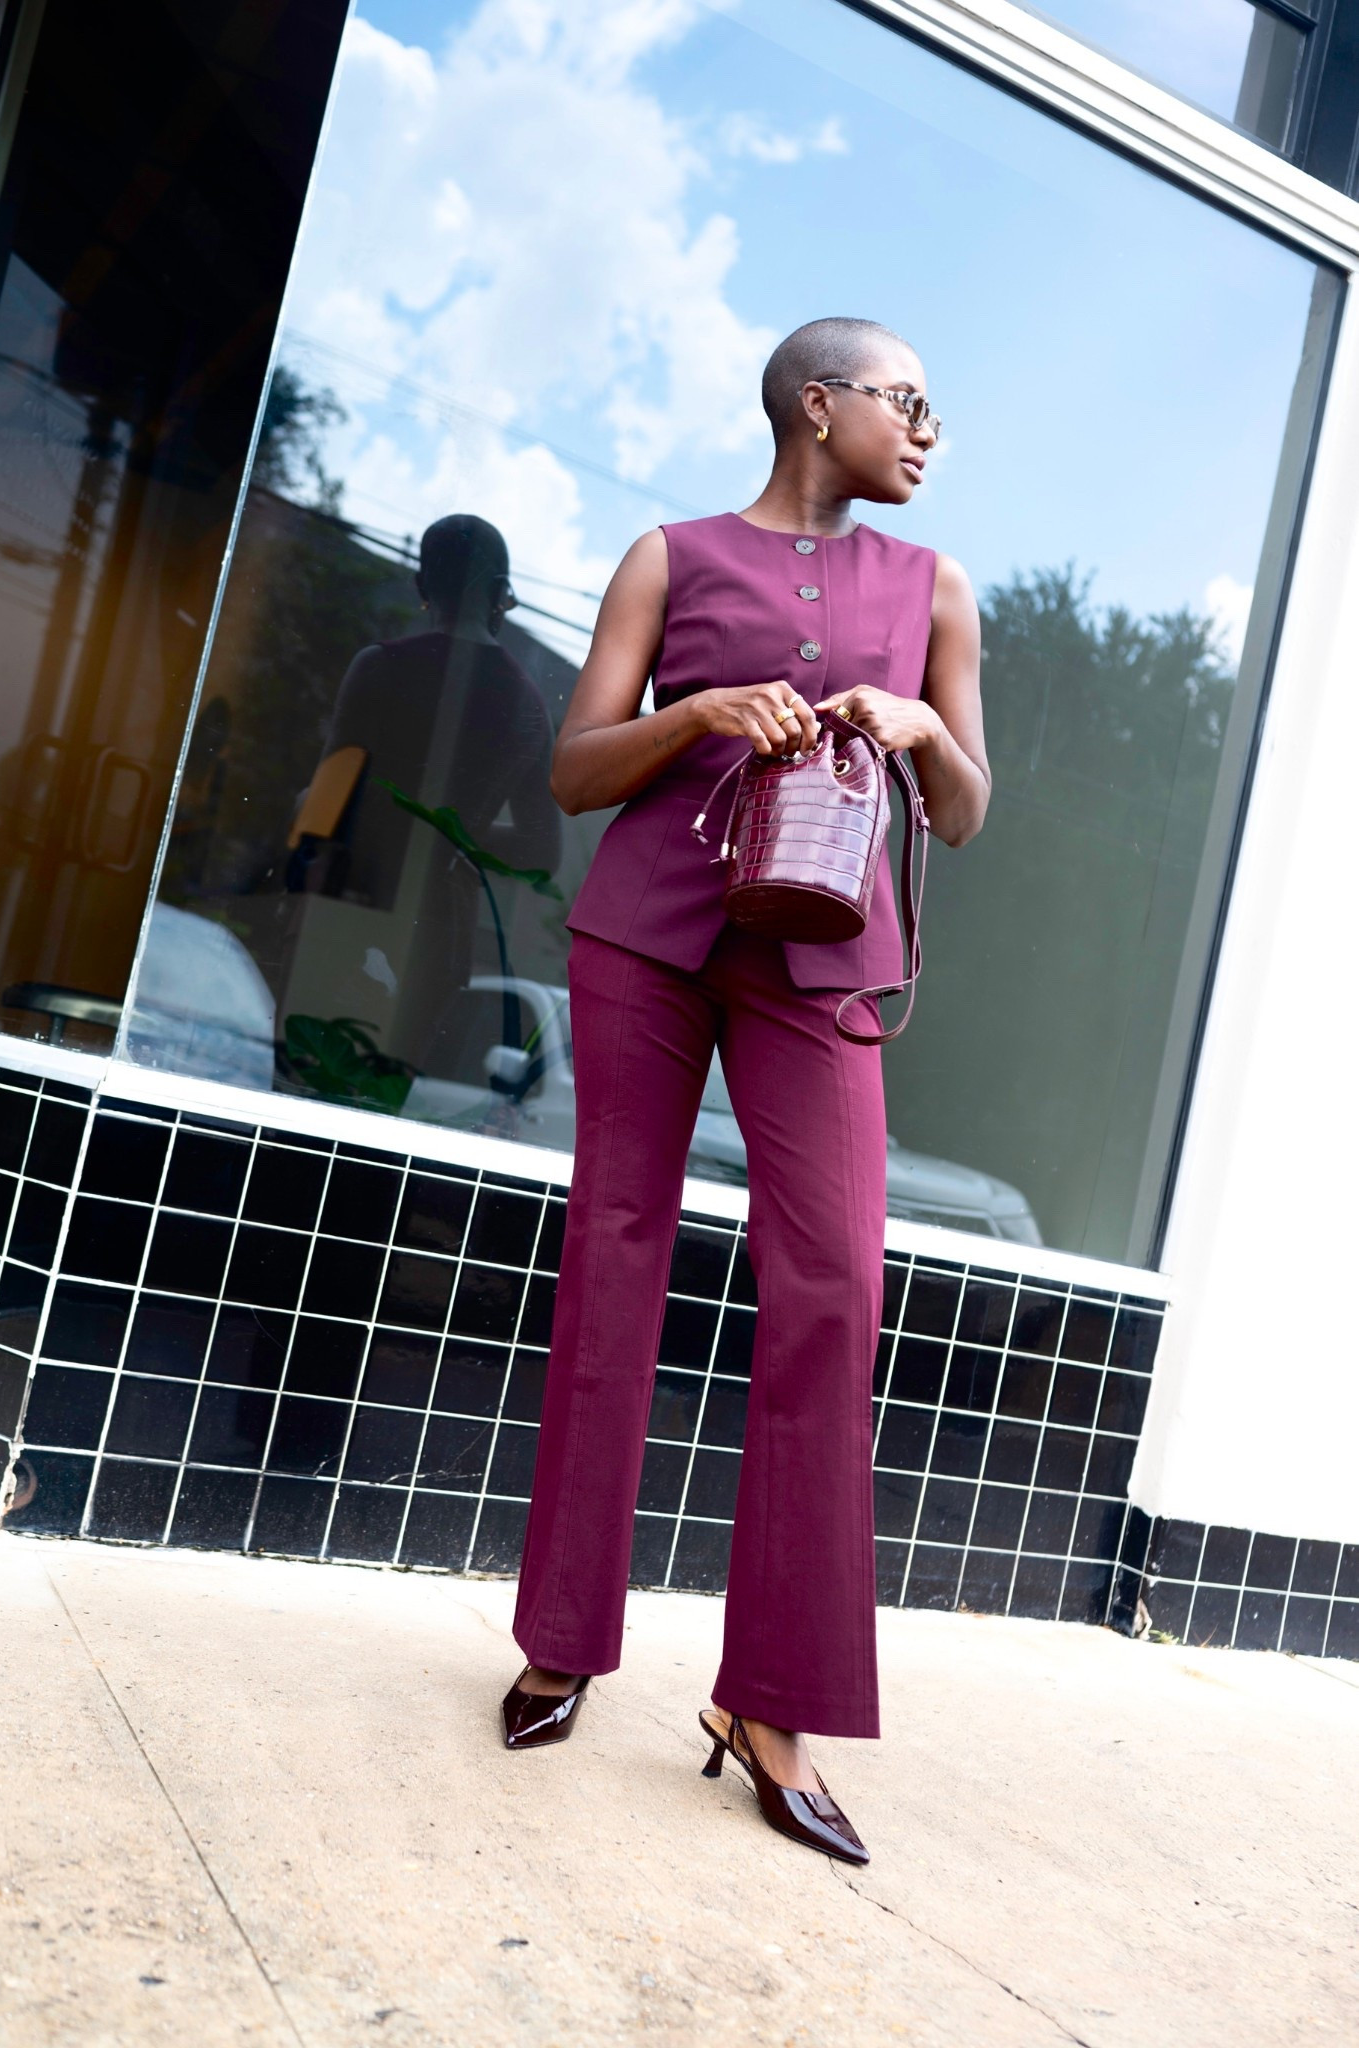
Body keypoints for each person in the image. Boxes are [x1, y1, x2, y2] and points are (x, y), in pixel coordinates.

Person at [501, 318, 989, 1865]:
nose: (925, 431)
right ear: (815, 402)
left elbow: (967, 814)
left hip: (826, 953)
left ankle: (768, 1702)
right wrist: (700, 715)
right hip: (644, 936)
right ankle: (564, 1639)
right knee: (615, 1254)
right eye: (905, 402)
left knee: (836, 1283)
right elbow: (575, 771)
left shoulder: (935, 593)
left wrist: (915, 730)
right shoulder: (668, 556)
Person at [311, 514, 560, 1069]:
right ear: (500, 594)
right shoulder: (525, 703)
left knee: (312, 1074)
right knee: (384, 1094)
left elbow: (325, 804)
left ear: (424, 588)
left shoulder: (378, 668)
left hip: (348, 908)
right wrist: (456, 833)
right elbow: (544, 850)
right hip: (438, 933)